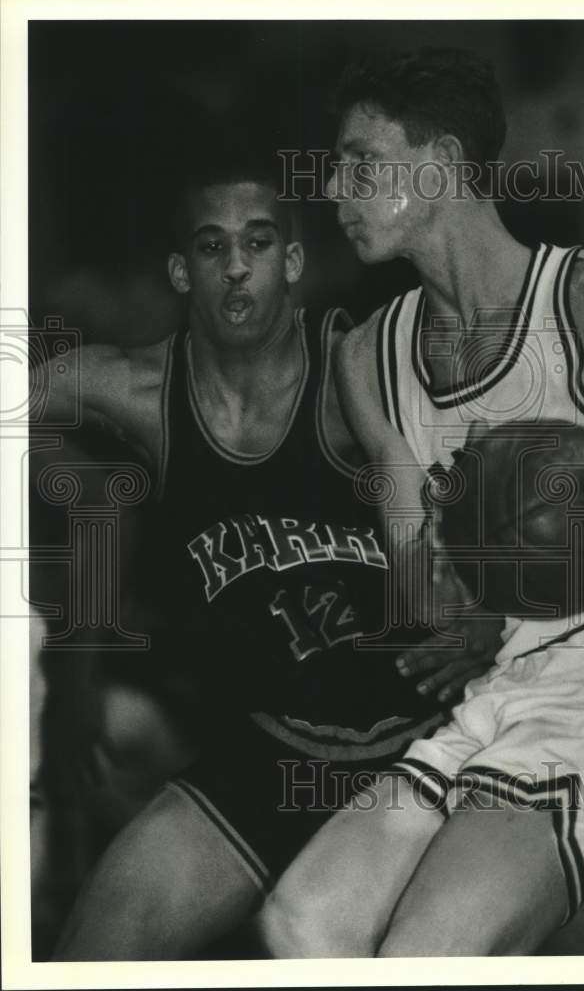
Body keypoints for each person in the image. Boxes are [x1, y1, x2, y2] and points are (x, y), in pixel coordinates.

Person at [259, 47, 584, 957]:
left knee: (427, 951)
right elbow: (422, 588)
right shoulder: (368, 361)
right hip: (503, 685)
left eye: (359, 163)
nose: (333, 188)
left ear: (442, 163)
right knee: (302, 924)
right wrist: (471, 601)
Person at [44, 156, 497, 960]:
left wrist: (491, 617)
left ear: (291, 262)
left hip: (430, 741)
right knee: (96, 943)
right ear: (182, 270)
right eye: (212, 247)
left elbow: (537, 475)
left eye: (258, 242)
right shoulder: (138, 391)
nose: (237, 266)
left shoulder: (365, 371)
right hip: (275, 752)